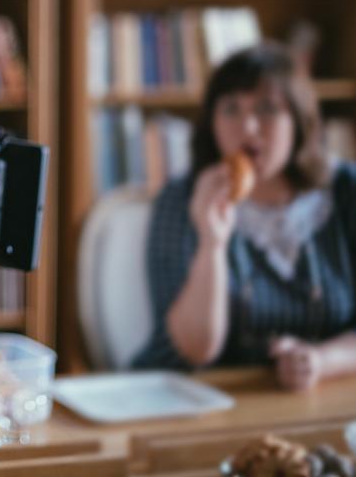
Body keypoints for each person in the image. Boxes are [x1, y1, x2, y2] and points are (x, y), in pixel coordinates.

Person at [133, 43, 356, 391]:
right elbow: (195, 348)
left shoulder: (345, 192)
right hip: (194, 399)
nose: (249, 127)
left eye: (267, 108)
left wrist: (321, 361)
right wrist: (213, 241)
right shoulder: (182, 199)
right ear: (212, 124)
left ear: (299, 120)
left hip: (320, 399)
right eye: (231, 109)